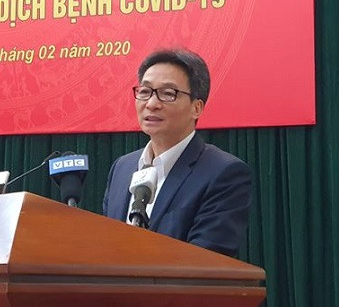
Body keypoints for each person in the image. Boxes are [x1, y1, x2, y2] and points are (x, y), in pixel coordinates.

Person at [103, 48, 251, 258]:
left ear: (196, 108)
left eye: (168, 94)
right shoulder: (122, 168)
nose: (152, 104)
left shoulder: (223, 173)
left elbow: (206, 260)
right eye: (145, 92)